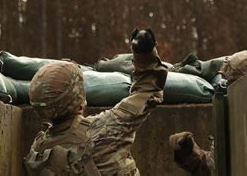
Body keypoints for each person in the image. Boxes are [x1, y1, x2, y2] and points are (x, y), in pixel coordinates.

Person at [24, 28, 168, 175]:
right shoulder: (105, 129)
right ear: (78, 98)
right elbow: (147, 90)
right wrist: (144, 55)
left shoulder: (38, 149)